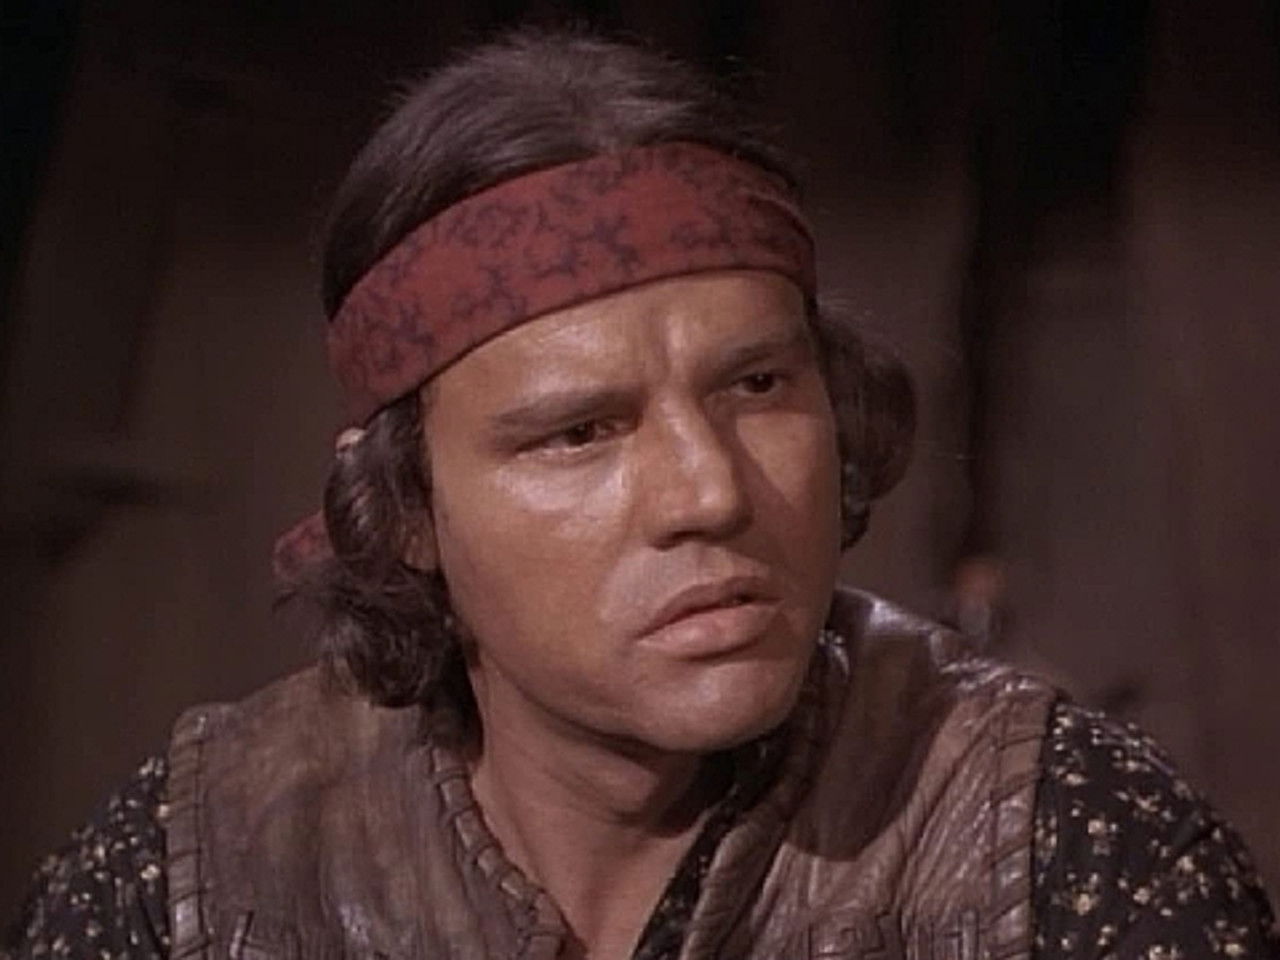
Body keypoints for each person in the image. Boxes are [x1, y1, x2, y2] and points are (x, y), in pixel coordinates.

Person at [5, 28, 1277, 960]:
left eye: (757, 385)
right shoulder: (202, 866)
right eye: (577, 433)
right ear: (404, 511)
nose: (709, 491)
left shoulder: (1054, 838)